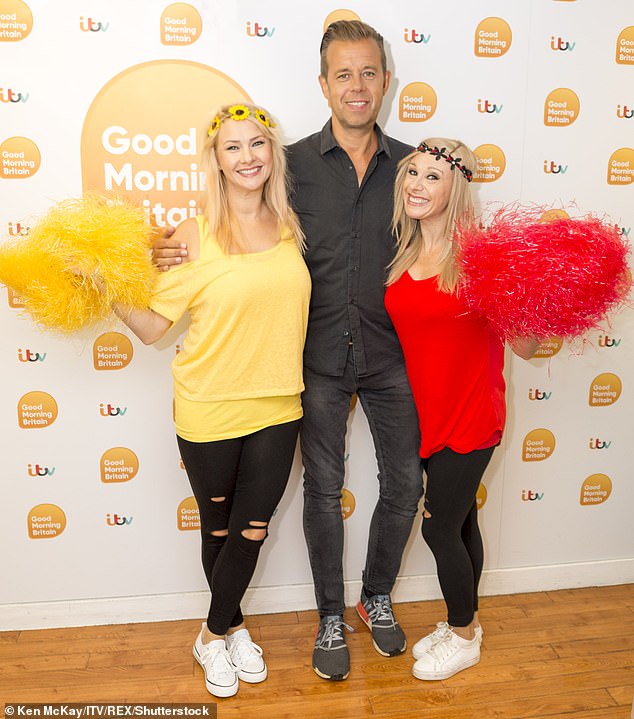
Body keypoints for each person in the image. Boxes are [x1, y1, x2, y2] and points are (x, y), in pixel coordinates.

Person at [154, 21, 423, 683]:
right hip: (313, 363)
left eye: (368, 73)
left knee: (407, 486)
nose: (356, 86)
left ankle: (376, 595)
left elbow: (444, 245)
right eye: (343, 74)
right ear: (324, 84)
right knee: (321, 493)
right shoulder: (290, 162)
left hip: (391, 358)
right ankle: (328, 614)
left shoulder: (414, 166)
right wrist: (156, 250)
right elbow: (230, 220)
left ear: (385, 82)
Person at [111, 103, 311, 698]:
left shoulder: (292, 223)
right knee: (219, 531)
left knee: (253, 530)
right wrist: (107, 284)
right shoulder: (194, 234)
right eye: (233, 148)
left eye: (257, 144)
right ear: (217, 161)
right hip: (208, 406)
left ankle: (212, 633)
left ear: (272, 153)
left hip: (279, 405)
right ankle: (232, 628)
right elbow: (151, 328)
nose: (247, 157)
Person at [384, 138, 539, 681]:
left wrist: (534, 299)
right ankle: (464, 622)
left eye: (432, 177)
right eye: (413, 175)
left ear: (457, 189)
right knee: (462, 521)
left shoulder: (479, 257)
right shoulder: (405, 253)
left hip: (472, 413)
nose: (417, 186)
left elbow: (526, 346)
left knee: (438, 529)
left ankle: (466, 635)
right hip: (427, 415)